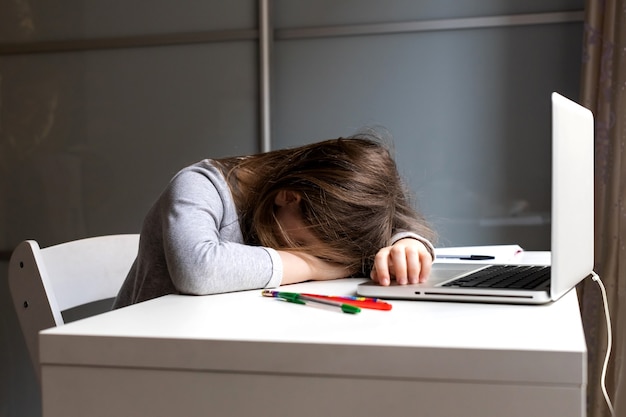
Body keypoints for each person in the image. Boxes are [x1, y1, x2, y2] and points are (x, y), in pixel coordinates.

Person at [112, 132, 436, 309]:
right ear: (288, 196)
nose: (308, 257)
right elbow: (198, 270)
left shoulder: (318, 212)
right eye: (302, 246)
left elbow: (397, 221)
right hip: (141, 353)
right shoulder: (201, 184)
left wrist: (403, 242)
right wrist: (313, 266)